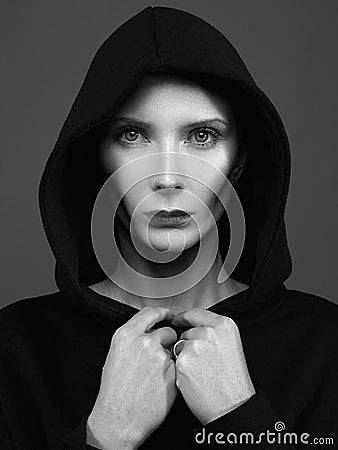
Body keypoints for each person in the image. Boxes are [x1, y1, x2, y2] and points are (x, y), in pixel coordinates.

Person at [0, 5, 337, 450]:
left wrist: (240, 417)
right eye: (132, 136)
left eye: (202, 136)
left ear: (238, 163)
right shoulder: (16, 349)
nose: (168, 176)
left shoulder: (326, 346)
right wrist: (104, 438)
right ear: (97, 160)